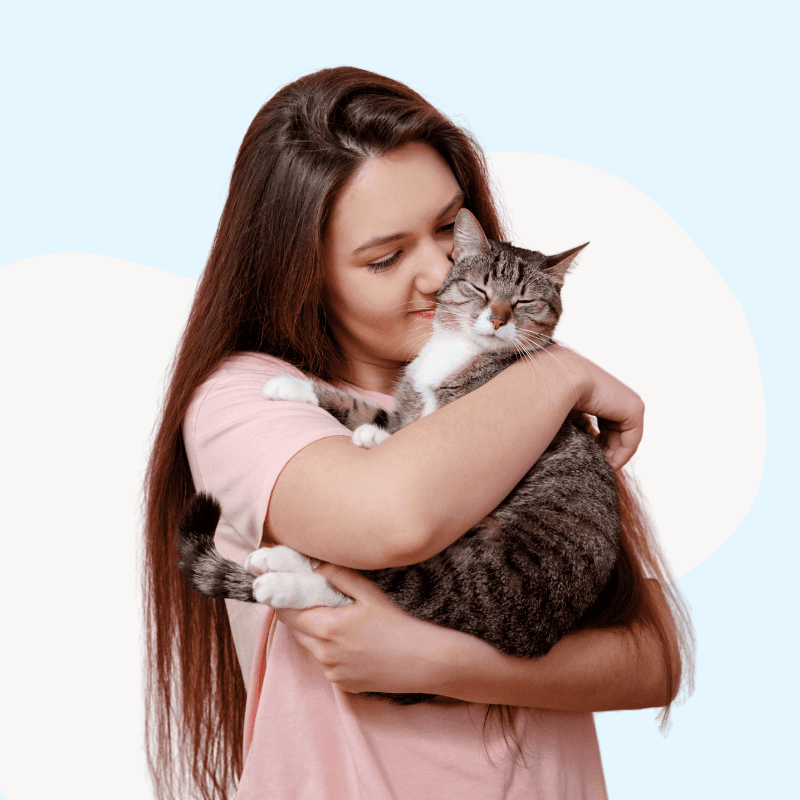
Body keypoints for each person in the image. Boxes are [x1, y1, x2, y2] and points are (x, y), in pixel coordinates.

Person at [142, 66, 694, 800]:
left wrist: (431, 660)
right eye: (386, 257)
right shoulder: (245, 399)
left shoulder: (512, 387)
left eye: (448, 228)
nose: (441, 271)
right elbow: (391, 517)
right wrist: (561, 375)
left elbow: (652, 655)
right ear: (301, 274)